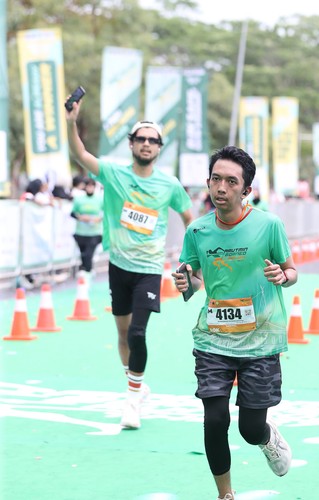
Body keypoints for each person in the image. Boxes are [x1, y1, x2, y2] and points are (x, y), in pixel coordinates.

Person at [172, 146, 297, 500]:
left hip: (261, 339)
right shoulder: (197, 231)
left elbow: (291, 271)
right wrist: (186, 283)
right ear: (208, 182)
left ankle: (267, 437)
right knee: (214, 419)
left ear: (246, 190)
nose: (221, 188)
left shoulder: (268, 225)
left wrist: (282, 276)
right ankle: (225, 494)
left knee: (249, 428)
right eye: (216, 179)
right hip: (213, 338)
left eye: (231, 181)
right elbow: (195, 280)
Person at [66, 99, 193, 430]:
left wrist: (190, 257)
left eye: (153, 140)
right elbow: (79, 154)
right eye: (141, 139)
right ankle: (135, 382)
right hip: (118, 266)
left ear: (159, 148)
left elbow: (189, 219)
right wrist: (71, 121)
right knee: (122, 334)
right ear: (131, 144)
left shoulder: (169, 184)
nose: (146, 144)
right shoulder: (113, 174)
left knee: (137, 332)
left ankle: (132, 400)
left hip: (149, 269)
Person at [71, 178, 104, 280]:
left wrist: (98, 218)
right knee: (84, 255)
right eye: (88, 186)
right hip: (81, 232)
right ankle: (86, 271)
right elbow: (72, 213)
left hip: (95, 232)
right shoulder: (79, 199)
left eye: (92, 186)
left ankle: (88, 273)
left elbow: (106, 212)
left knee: (89, 254)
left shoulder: (99, 199)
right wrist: (81, 217)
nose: (90, 188)